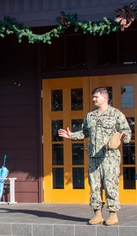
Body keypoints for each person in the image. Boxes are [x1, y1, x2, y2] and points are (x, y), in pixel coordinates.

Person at [57, 87, 132, 226]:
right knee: (95, 185)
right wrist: (71, 135)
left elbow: (126, 132)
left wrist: (123, 137)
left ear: (105, 98)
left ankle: (113, 214)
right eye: (93, 97)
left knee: (110, 184)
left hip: (110, 157)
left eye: (96, 97)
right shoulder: (90, 115)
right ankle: (97, 214)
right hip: (93, 157)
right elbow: (85, 132)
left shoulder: (116, 114)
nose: (93, 99)